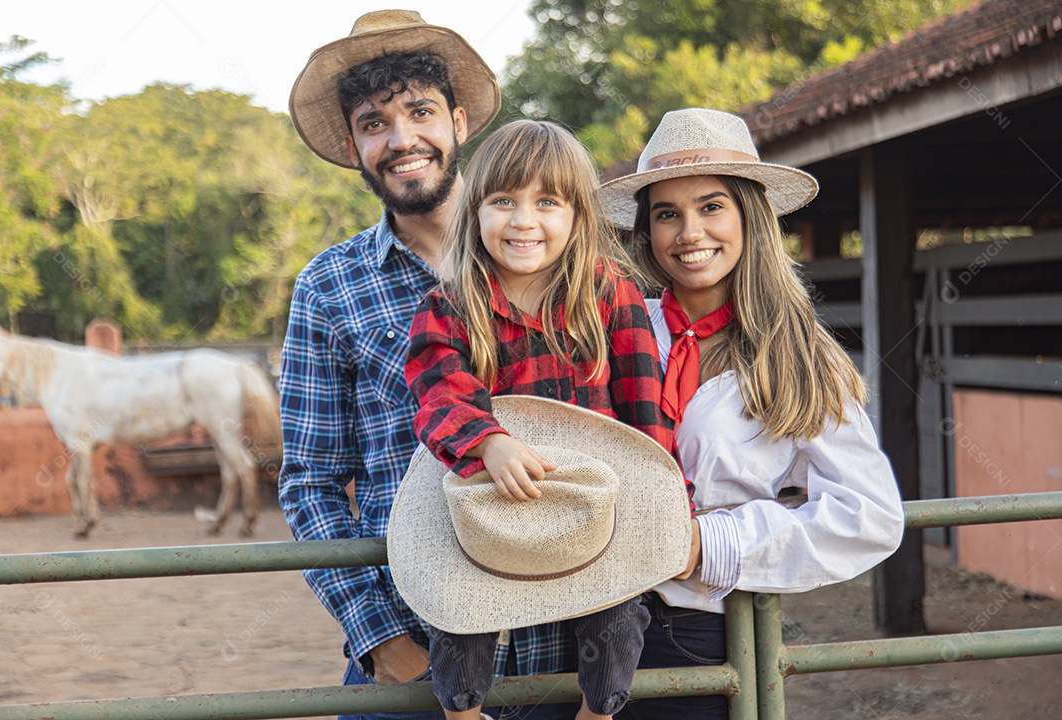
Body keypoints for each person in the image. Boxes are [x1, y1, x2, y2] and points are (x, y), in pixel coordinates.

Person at [600, 108, 906, 720]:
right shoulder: (612, 329)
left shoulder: (798, 356)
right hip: (582, 620)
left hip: (696, 632)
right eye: (667, 214)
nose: (689, 232)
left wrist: (707, 544)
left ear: (749, 216)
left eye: (711, 207)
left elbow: (870, 516)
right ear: (647, 231)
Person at [402, 120, 686, 720]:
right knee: (460, 604)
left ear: (578, 216)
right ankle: (460, 711)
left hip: (590, 498)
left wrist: (661, 496)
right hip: (488, 498)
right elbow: (437, 389)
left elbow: (643, 406)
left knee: (616, 608)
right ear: (474, 212)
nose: (523, 220)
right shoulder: (451, 305)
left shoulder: (610, 294)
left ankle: (598, 710)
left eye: (547, 202)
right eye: (502, 201)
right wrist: (488, 442)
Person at [278, 10, 508, 720]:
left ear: (459, 121)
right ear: (354, 145)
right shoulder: (330, 284)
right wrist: (379, 640)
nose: (402, 139)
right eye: (375, 123)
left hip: (559, 636)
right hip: (414, 637)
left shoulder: (541, 246)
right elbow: (311, 482)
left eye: (420, 111)